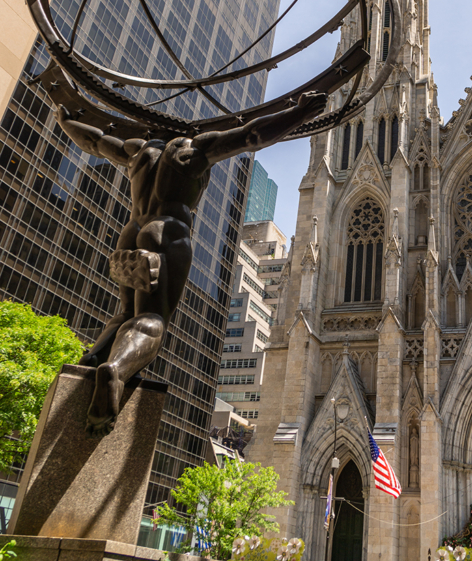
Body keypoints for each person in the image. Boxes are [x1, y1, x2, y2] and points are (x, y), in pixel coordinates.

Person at [55, 91, 327, 435]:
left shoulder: (137, 151)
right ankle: (117, 369)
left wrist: (65, 121)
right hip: (165, 230)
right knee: (151, 318)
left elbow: (93, 141)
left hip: (131, 230)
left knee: (126, 312)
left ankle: (94, 358)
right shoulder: (192, 149)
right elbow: (251, 136)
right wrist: (299, 114)